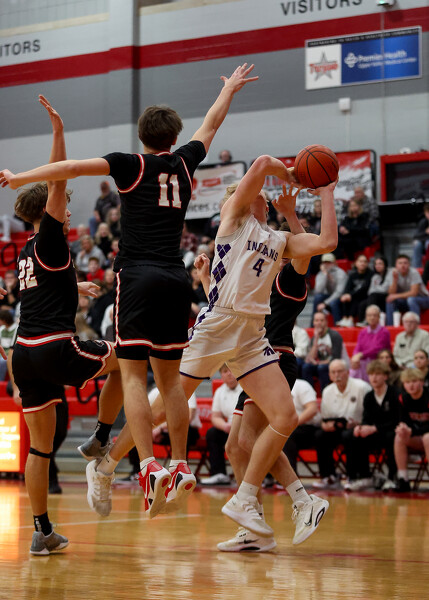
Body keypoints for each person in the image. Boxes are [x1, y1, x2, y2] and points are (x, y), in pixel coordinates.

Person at [0, 64, 261, 518]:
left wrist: (20, 178)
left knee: (134, 375)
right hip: (175, 276)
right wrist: (230, 91)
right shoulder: (185, 160)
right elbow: (211, 124)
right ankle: (179, 463)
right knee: (171, 381)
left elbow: (69, 169)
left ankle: (149, 466)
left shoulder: (129, 164)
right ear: (173, 136)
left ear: (141, 136)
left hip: (136, 277)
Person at [3, 96, 124, 555]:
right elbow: (59, 176)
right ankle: (100, 439)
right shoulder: (51, 237)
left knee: (40, 448)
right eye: (63, 207)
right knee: (131, 358)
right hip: (54, 346)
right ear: (48, 210)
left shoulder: (26, 252)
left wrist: (76, 284)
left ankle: (42, 531)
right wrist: (58, 131)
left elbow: (40, 291)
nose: (68, 212)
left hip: (24, 355)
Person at [313, 359, 371, 489]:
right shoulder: (327, 391)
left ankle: (353, 477)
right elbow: (325, 418)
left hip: (359, 429)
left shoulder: (362, 387)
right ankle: (329, 477)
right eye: (333, 372)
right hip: (337, 428)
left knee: (348, 435)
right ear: (329, 375)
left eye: (340, 371)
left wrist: (359, 424)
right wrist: (325, 425)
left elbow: (371, 413)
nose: (337, 375)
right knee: (320, 435)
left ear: (348, 372)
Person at [345, 359, 401, 491]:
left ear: (385, 376)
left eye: (377, 374)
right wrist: (360, 427)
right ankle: (361, 477)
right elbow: (366, 419)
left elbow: (397, 421)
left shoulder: (395, 393)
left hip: (390, 432)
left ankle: (392, 477)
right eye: (371, 374)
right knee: (352, 436)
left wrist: (374, 428)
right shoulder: (369, 396)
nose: (374, 378)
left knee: (392, 436)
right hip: (376, 433)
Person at [200, 365, 242, 486]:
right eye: (225, 371)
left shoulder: (246, 387)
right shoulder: (219, 391)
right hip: (230, 429)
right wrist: (225, 426)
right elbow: (215, 417)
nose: (229, 374)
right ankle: (218, 474)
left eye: (231, 370)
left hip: (246, 427)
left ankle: (259, 477)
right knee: (213, 433)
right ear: (221, 375)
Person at [394, 368, 429, 492]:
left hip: (425, 437)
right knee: (399, 436)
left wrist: (412, 431)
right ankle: (403, 479)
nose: (411, 385)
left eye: (414, 381)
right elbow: (402, 421)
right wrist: (403, 428)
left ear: (422, 382)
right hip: (416, 437)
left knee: (428, 437)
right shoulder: (403, 398)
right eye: (407, 382)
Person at [302, 311, 345, 392]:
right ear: (313, 323)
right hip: (319, 365)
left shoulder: (334, 335)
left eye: (321, 320)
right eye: (316, 320)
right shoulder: (314, 338)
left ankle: (324, 393)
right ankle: (309, 392)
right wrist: (316, 339)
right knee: (306, 367)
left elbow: (336, 358)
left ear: (326, 322)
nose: (319, 323)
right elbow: (311, 359)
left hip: (333, 365)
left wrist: (319, 363)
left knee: (321, 368)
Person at [349, 305, 391, 382]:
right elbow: (358, 347)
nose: (372, 317)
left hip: (377, 360)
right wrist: (355, 356)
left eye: (374, 315)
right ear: (366, 317)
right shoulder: (363, 332)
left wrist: (361, 355)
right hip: (363, 361)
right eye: (369, 315)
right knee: (354, 365)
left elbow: (377, 349)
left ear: (379, 317)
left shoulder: (384, 332)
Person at [385, 255, 429, 325]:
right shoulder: (392, 273)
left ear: (409, 265)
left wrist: (395, 296)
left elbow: (414, 293)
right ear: (396, 265)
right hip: (405, 300)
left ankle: (415, 326)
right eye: (400, 263)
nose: (403, 265)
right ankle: (390, 326)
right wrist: (395, 281)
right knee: (390, 301)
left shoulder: (414, 273)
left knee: (411, 300)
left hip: (424, 299)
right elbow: (391, 293)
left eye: (405, 263)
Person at [334, 254, 373, 327]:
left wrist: (350, 295)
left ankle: (351, 319)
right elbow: (347, 288)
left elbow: (364, 288)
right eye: (360, 261)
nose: (362, 263)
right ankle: (345, 318)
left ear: (367, 264)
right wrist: (346, 295)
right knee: (344, 297)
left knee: (355, 297)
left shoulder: (370, 274)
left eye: (365, 262)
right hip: (353, 295)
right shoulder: (352, 275)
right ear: (356, 263)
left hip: (365, 296)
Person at [312, 253, 347, 324]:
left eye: (329, 262)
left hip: (341, 299)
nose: (326, 264)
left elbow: (339, 292)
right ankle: (313, 324)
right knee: (318, 297)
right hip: (329, 297)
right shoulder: (321, 274)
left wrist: (325, 303)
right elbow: (318, 291)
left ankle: (337, 325)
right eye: (324, 262)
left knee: (333, 303)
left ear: (334, 263)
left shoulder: (341, 273)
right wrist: (324, 275)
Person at [357, 255, 391, 323]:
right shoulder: (375, 276)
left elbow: (385, 289)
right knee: (362, 304)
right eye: (376, 264)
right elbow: (370, 291)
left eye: (380, 264)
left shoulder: (390, 273)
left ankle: (368, 319)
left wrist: (376, 288)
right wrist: (378, 288)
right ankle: (362, 322)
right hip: (376, 297)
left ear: (385, 264)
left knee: (373, 296)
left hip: (386, 296)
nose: (378, 266)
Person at [412, 202, 429, 267]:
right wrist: (426, 232)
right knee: (417, 244)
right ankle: (417, 268)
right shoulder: (423, 222)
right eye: (427, 213)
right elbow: (416, 236)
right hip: (424, 241)